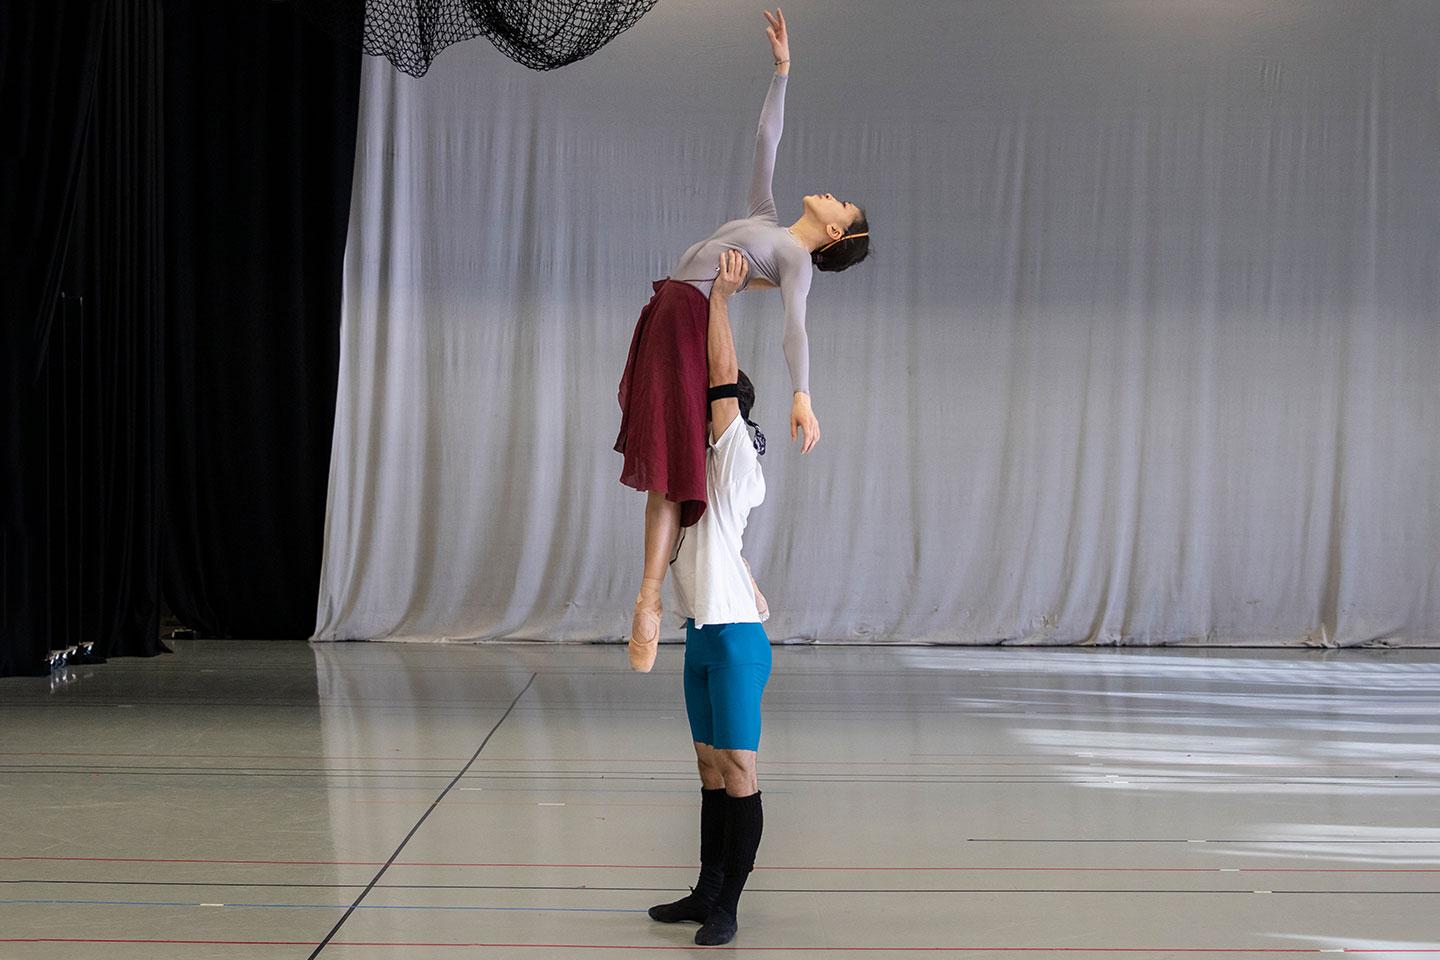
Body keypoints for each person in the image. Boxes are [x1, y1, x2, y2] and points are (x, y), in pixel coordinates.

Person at [615, 8, 870, 672]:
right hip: (668, 306)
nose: (830, 194)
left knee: (674, 468)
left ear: (838, 233)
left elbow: (794, 330)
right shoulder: (766, 220)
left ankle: (647, 603)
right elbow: (766, 136)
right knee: (673, 466)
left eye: (840, 204)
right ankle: (676, 592)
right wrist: (782, 70)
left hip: (685, 317)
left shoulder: (792, 262)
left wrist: (804, 396)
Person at [647, 249, 770, 946]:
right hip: (702, 636)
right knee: (706, 764)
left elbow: (721, 385)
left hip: (736, 644)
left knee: (738, 768)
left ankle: (730, 906)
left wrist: (720, 302)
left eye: (705, 410)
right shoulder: (695, 476)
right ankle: (705, 889)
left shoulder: (736, 461)